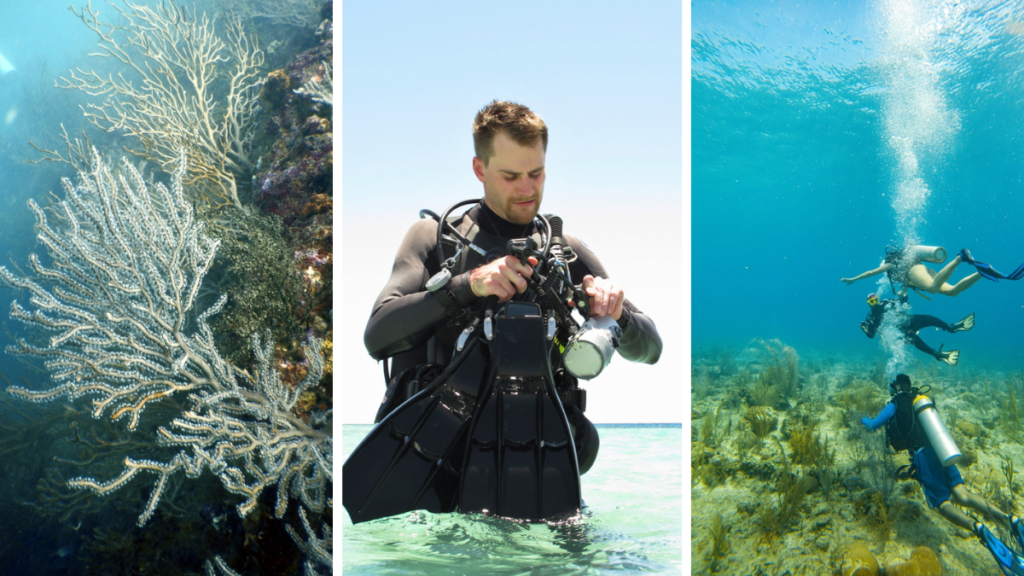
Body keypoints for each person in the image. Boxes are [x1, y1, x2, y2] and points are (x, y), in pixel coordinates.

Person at [345, 100, 663, 523]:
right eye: (511, 176)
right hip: (439, 485)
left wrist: (618, 314)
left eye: (537, 173)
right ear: (480, 169)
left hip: (542, 483)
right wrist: (466, 286)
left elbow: (652, 348)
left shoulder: (566, 252)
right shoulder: (437, 239)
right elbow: (377, 335)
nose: (527, 188)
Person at [862, 374, 1024, 574]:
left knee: (943, 504)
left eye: (891, 386)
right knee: (963, 495)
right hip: (942, 448)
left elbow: (872, 426)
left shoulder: (896, 403)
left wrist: (860, 418)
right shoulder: (920, 399)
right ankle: (1010, 520)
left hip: (924, 455)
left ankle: (978, 529)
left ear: (896, 387)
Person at [859, 292, 973, 366]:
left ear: (878, 299)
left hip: (907, 320)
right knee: (913, 337)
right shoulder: (871, 318)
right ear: (868, 304)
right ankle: (938, 355)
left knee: (929, 318)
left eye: (875, 300)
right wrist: (865, 330)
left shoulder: (886, 302)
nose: (874, 303)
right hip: (898, 332)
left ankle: (950, 327)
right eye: (871, 302)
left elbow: (902, 300)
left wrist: (903, 294)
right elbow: (871, 335)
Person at [842, 245, 982, 298]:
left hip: (915, 270)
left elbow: (871, 272)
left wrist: (853, 279)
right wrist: (904, 292)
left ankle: (960, 258)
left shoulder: (890, 265)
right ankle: (981, 273)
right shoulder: (899, 272)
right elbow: (906, 283)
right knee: (952, 292)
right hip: (923, 272)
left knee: (932, 288)